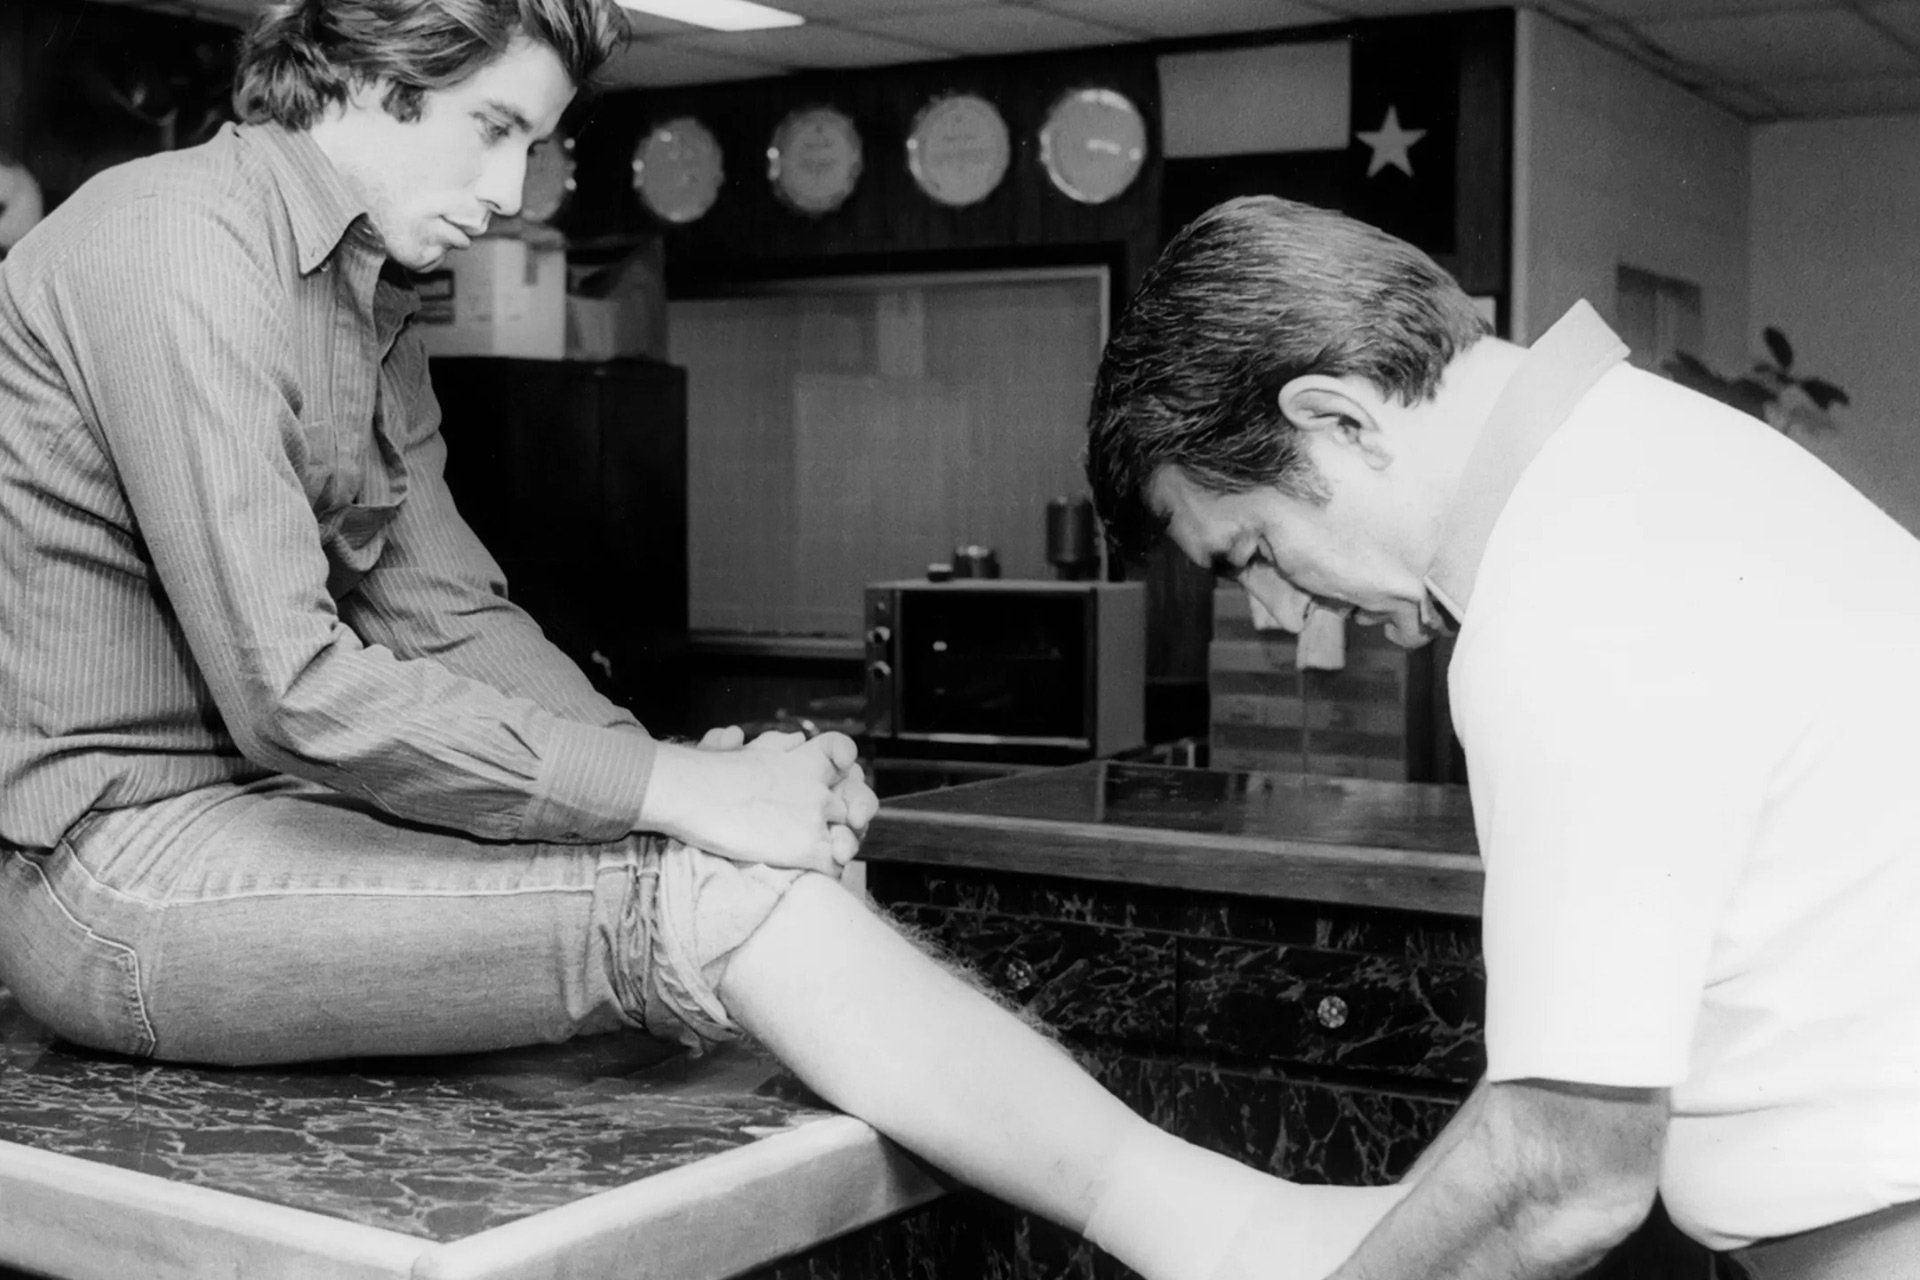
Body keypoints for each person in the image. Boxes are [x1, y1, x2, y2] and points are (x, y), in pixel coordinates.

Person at [0, 6, 1413, 1278]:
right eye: (493, 130)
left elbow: (452, 616)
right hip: (114, 875)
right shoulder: (174, 242)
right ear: (364, 76)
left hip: (270, 824)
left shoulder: (367, 302)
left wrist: (684, 778)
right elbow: (289, 690)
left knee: (739, 864)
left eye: (536, 142)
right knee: (721, 902)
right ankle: (1223, 1235)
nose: (509, 193)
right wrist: (685, 798)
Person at [1085, 192, 1920, 1279]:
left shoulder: (1564, 595)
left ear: (1339, 417)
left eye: (1253, 550)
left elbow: (1563, 1179)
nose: (1285, 611)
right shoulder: (1644, 458)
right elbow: (1584, 1050)